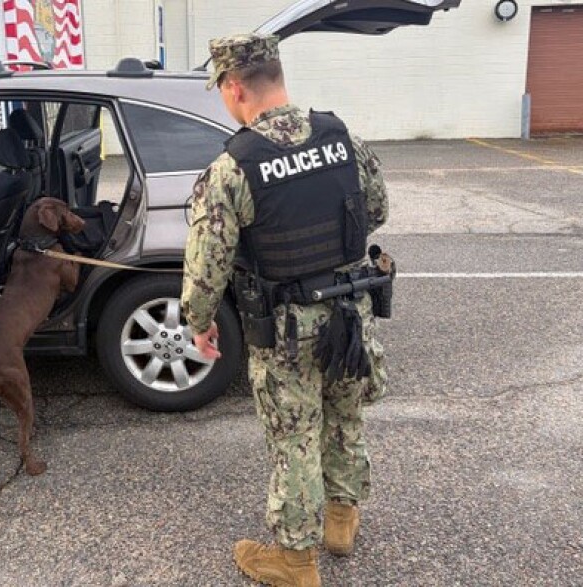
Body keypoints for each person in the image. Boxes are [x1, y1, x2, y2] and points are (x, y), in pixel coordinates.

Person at [180, 33, 389, 587]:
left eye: (221, 90)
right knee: (345, 414)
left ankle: (296, 561)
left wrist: (198, 324)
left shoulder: (233, 167)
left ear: (233, 87)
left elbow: (207, 267)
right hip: (351, 315)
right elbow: (377, 210)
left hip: (289, 328)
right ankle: (341, 522)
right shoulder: (342, 138)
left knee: (294, 435)